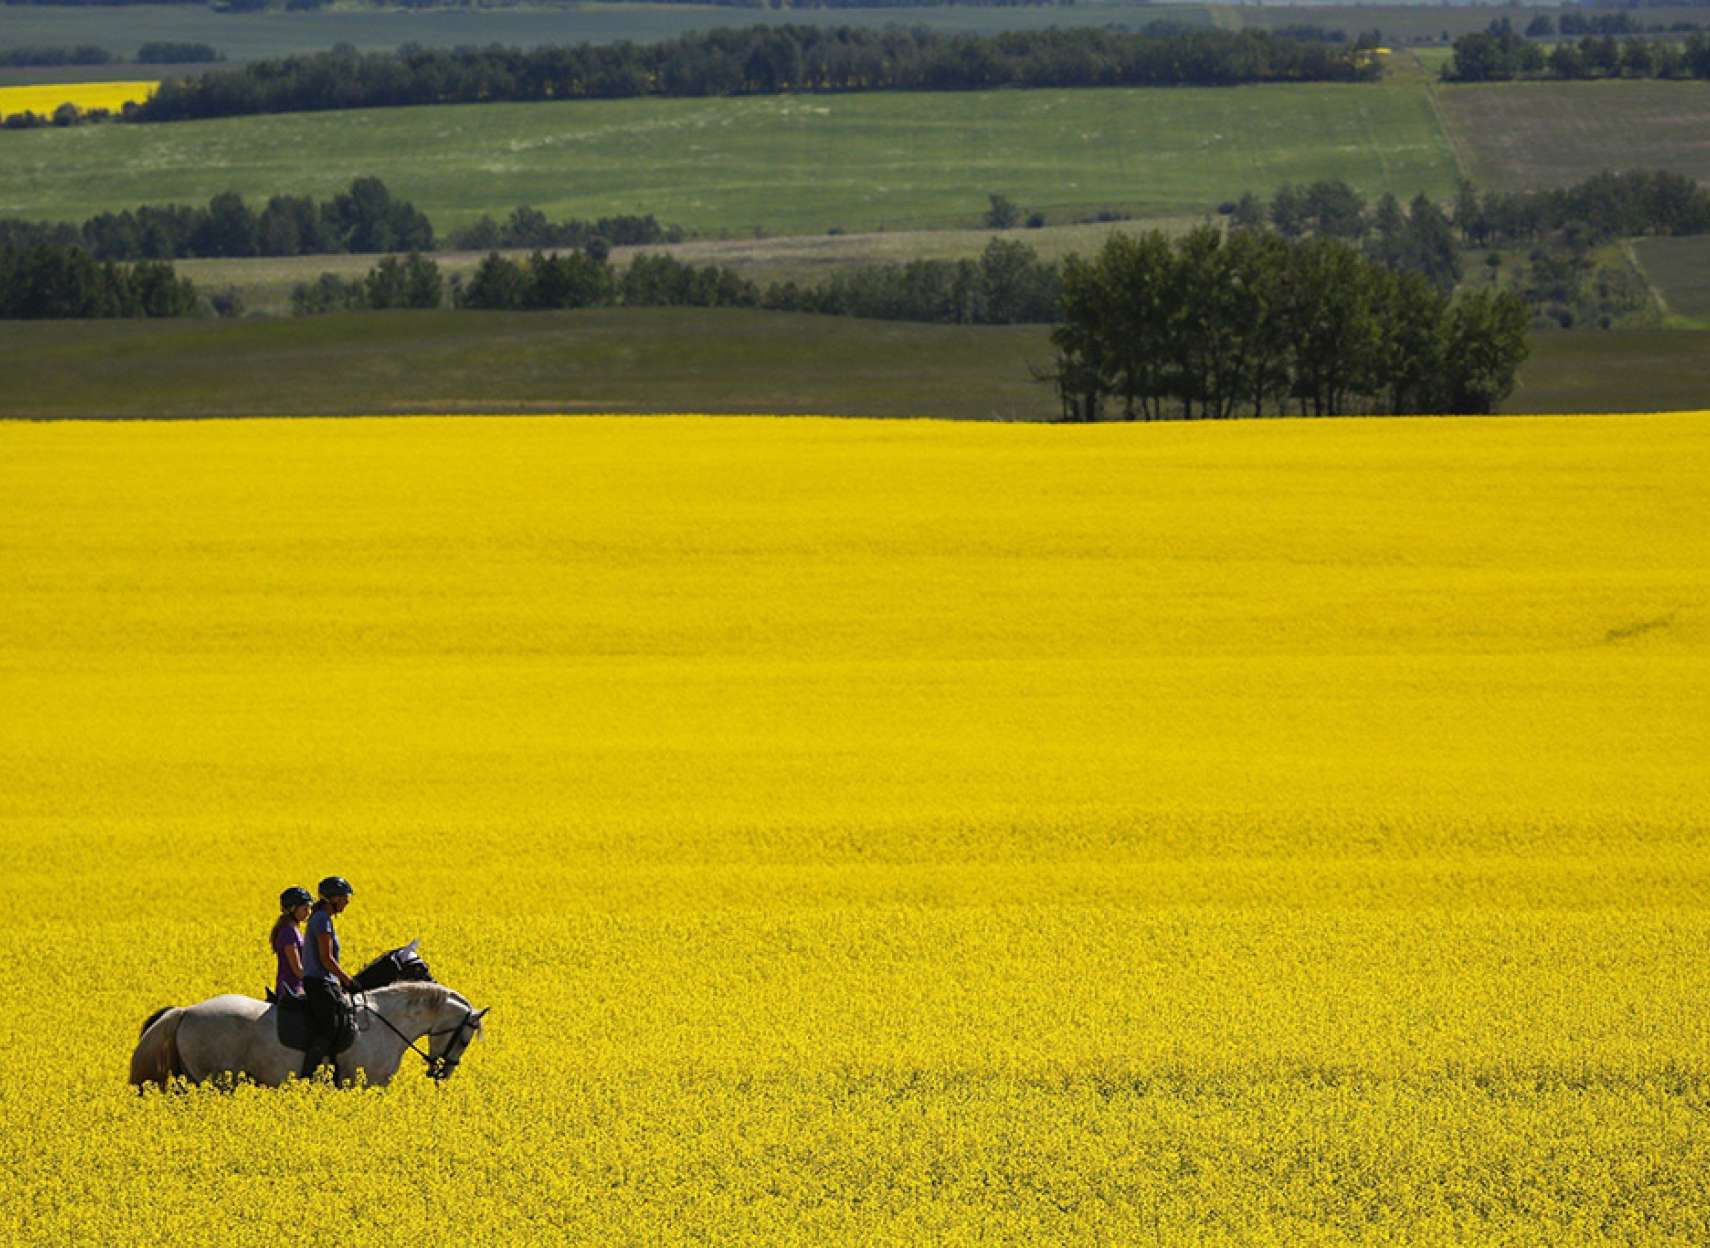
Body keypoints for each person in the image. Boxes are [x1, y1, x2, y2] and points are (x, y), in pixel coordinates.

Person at [299, 875, 358, 1081]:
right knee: (331, 1026)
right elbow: (326, 958)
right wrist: (347, 980)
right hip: (319, 982)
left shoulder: (323, 919)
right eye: (344, 897)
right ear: (332, 899)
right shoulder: (322, 920)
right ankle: (309, 1073)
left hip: (325, 981)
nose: (347, 901)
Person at [271, 886, 312, 1003]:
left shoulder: (294, 929)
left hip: (298, 986)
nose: (308, 913)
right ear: (293, 909)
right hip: (292, 989)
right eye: (305, 909)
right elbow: (297, 969)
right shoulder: (288, 932)